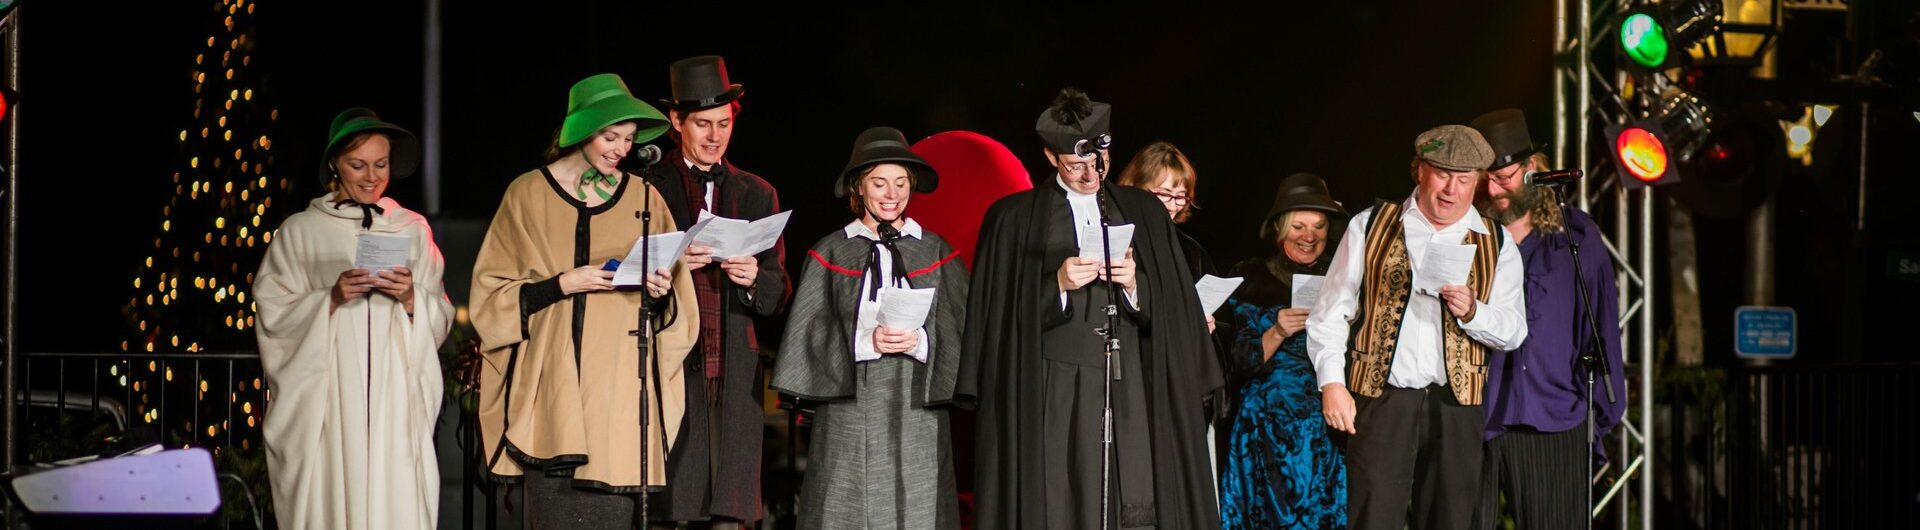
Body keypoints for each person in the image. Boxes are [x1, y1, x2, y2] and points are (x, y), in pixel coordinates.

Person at [957, 87, 1224, 529]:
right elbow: (995, 316)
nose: (1088, 174)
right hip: (1053, 381)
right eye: (1075, 165)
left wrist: (1135, 284)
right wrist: (1057, 285)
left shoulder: (1142, 210)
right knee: (1062, 492)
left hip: (1130, 377)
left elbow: (1174, 305)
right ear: (1050, 156)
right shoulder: (1014, 217)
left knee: (1133, 488)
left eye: (1097, 161)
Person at [471, 73, 699, 529]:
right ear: (579, 134)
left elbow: (678, 309)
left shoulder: (644, 197)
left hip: (615, 401)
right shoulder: (527, 195)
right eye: (610, 136)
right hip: (550, 401)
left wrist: (659, 294)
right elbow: (489, 297)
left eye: (629, 139)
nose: (620, 148)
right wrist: (562, 284)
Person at [1305, 125, 1528, 530]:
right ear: (1420, 171)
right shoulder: (1369, 225)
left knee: (1451, 517)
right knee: (1373, 517)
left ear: (1477, 182)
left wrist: (1474, 312)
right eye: (1442, 175)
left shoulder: (1497, 242)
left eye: (1463, 180)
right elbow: (1329, 313)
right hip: (1381, 397)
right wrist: (1332, 384)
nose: (1451, 190)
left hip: (1456, 404)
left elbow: (1514, 330)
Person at [255, 108, 453, 529]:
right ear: (334, 165)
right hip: (329, 403)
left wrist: (412, 298)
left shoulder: (413, 230)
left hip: (392, 399)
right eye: (357, 165)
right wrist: (329, 298)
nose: (371, 176)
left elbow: (440, 314)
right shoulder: (301, 232)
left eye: (381, 165)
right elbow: (273, 310)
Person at [771, 126, 967, 529]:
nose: (891, 194)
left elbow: (962, 331)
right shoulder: (831, 250)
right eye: (879, 183)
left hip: (917, 405)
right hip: (850, 404)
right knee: (847, 508)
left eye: (901, 183)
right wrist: (866, 339)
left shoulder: (935, 250)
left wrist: (921, 340)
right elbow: (808, 339)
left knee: (917, 508)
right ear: (858, 187)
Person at [640, 55, 791, 529]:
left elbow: (777, 292)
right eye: (702, 124)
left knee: (732, 510)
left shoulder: (756, 192)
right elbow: (624, 277)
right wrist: (671, 266)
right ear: (676, 121)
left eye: (723, 124)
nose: (714, 136)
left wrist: (750, 281)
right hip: (671, 366)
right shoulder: (647, 189)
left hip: (734, 369)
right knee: (673, 507)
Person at [1469, 109, 1626, 529]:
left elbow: (1601, 327)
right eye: (1485, 176)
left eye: (1504, 175)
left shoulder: (1575, 236)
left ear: (1533, 168)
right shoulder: (1466, 236)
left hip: (1552, 420)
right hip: (1473, 417)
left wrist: (1599, 412)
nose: (1494, 186)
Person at [1217, 173, 1349, 529]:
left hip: (1326, 428)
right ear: (1279, 229)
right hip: (1264, 431)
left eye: (1319, 227)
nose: (1309, 236)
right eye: (1299, 226)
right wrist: (1277, 331)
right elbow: (1238, 364)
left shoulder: (1344, 277)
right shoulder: (1250, 278)